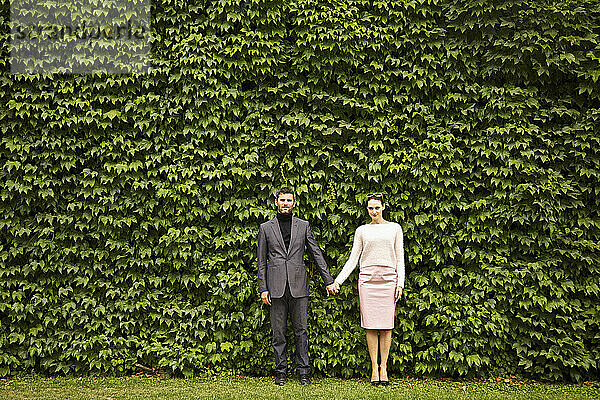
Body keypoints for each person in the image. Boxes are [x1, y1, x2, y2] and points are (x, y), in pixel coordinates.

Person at [257, 187, 338, 386]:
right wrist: (263, 288)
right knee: (278, 333)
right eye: (282, 200)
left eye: (289, 200)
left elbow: (316, 253)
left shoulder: (303, 226)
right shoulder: (266, 228)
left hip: (299, 286)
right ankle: (281, 372)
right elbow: (261, 261)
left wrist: (328, 280)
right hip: (275, 287)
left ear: (294, 203)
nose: (285, 203)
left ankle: (303, 372)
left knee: (301, 331)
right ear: (276, 202)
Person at [332, 193, 405, 386]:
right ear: (367, 209)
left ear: (383, 207)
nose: (374, 211)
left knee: (387, 325)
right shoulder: (362, 230)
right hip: (367, 282)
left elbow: (400, 258)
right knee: (370, 325)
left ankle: (384, 367)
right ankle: (374, 368)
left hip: (389, 280)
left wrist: (400, 283)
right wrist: (338, 281)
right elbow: (353, 259)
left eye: (377, 207)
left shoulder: (395, 228)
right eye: (370, 208)